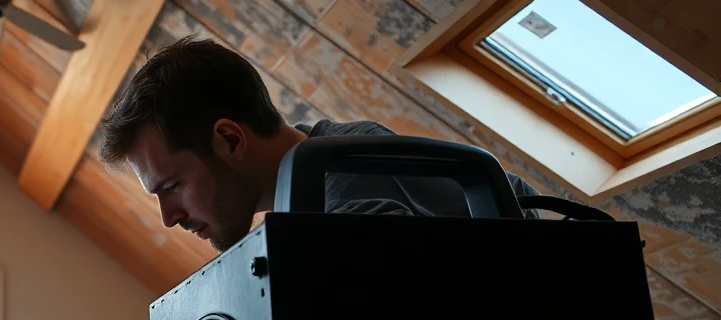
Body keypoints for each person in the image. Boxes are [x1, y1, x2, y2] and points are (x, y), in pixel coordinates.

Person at [97, 36, 541, 253]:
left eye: (171, 185)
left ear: (230, 139)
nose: (169, 218)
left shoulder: (348, 174)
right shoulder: (311, 191)